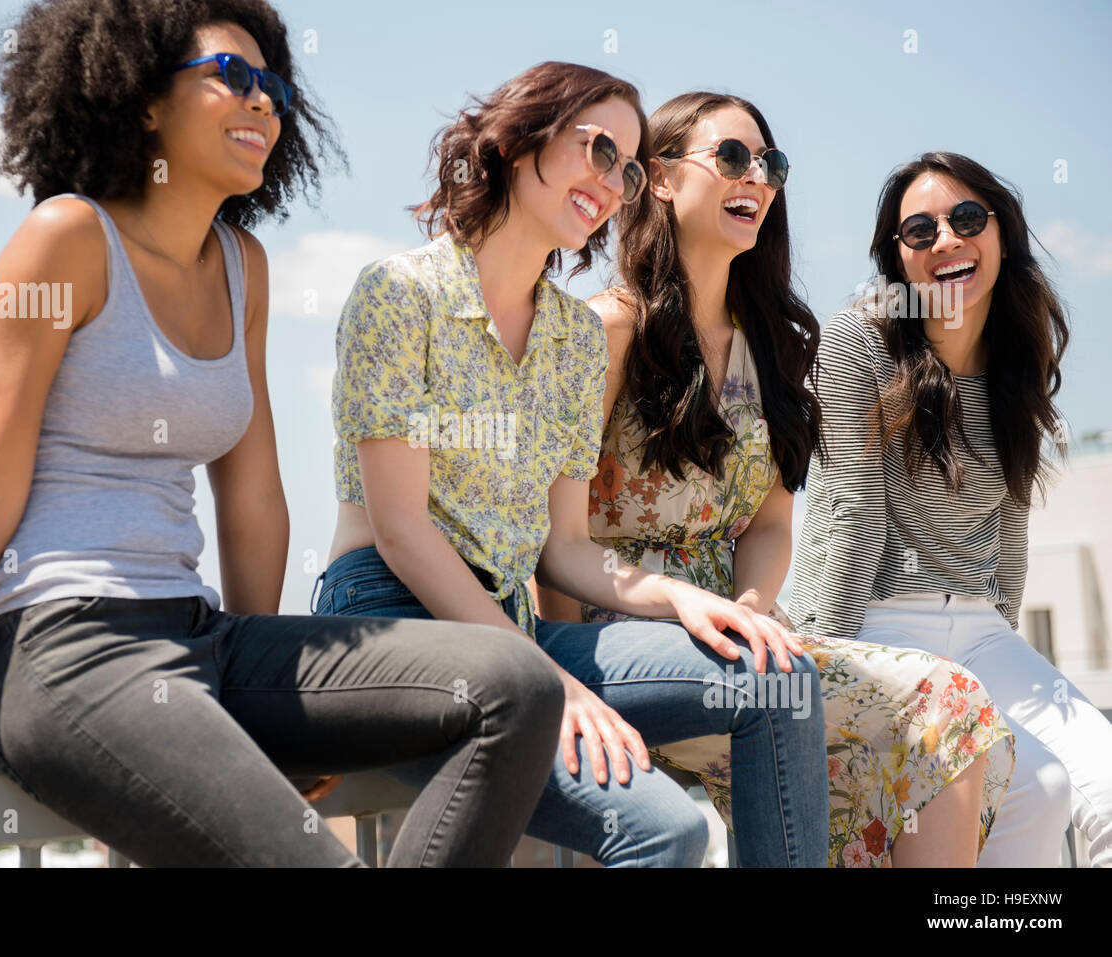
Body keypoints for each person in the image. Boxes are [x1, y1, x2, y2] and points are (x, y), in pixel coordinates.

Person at [0, 0, 566, 868]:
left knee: (515, 685)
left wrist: (273, 716)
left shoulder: (240, 266)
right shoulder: (63, 239)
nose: (262, 102)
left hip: (202, 638)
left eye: (273, 88)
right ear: (143, 99)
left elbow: (252, 497)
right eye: (231, 77)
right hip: (67, 650)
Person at [315, 62, 830, 867]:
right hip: (393, 624)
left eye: (628, 168)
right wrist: (549, 687)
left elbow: (564, 547)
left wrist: (685, 602)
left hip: (512, 629)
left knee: (777, 672)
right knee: (670, 828)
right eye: (597, 150)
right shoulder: (399, 292)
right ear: (521, 145)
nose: (613, 181)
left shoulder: (574, 338)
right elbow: (402, 532)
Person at [535, 93, 1015, 867]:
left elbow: (766, 524)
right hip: (613, 636)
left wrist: (752, 610)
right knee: (911, 703)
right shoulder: (607, 330)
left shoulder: (779, 345)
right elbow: (549, 541)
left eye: (770, 165)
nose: (755, 177)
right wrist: (571, 682)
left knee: (944, 713)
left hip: (741, 634)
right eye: (731, 157)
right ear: (657, 179)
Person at [790, 150, 1111, 868]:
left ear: (1002, 233)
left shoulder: (1014, 356)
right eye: (919, 230)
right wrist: (818, 680)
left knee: (1097, 783)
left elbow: (1012, 529)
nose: (946, 240)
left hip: (980, 626)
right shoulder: (858, 342)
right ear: (896, 257)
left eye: (967, 218)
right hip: (874, 620)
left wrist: (1002, 646)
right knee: (1039, 786)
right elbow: (850, 516)